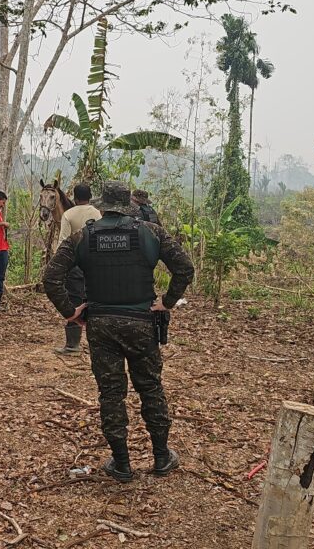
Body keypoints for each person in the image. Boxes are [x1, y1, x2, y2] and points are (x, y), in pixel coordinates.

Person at [43, 181, 194, 482]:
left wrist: (71, 312)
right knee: (150, 388)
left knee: (111, 394)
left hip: (101, 327)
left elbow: (51, 277)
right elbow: (184, 268)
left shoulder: (83, 236)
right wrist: (167, 301)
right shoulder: (150, 232)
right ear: (128, 205)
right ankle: (162, 456)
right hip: (142, 324)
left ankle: (122, 463)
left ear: (102, 205)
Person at [53, 183, 101, 355]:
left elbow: (63, 242)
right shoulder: (97, 213)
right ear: (90, 196)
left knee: (74, 300)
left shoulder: (68, 214)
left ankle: (72, 345)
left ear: (74, 197)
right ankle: (97, 341)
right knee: (93, 299)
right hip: (94, 263)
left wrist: (59, 266)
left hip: (74, 264)